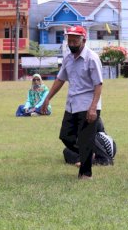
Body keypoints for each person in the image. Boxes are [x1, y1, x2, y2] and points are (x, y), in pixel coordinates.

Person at [41, 25, 103, 180]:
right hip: (72, 104)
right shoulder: (68, 58)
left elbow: (98, 84)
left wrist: (93, 108)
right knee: (66, 136)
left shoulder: (92, 58)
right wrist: (47, 98)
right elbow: (60, 79)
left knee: (85, 138)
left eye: (75, 40)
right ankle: (88, 153)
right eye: (70, 40)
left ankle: (86, 174)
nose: (72, 43)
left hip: (88, 104)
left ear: (84, 40)